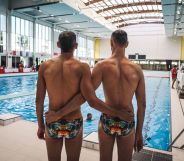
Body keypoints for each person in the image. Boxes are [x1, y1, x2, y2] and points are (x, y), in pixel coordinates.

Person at [46, 30, 146, 161]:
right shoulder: (137, 69)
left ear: (111, 42)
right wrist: (139, 133)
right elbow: (142, 104)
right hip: (127, 119)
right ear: (126, 44)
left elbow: (86, 96)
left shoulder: (101, 66)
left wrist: (59, 114)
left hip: (107, 119)